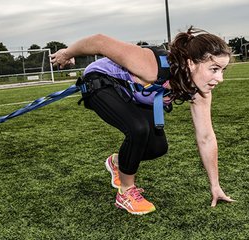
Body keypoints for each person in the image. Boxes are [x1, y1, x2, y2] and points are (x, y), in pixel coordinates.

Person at [50, 26, 235, 215]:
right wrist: (66, 54)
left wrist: (215, 186)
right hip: (100, 81)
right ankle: (126, 192)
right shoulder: (150, 65)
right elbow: (99, 41)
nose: (219, 78)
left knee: (158, 147)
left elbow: (206, 137)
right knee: (138, 128)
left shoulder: (200, 92)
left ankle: (118, 163)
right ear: (191, 63)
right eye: (214, 69)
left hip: (132, 94)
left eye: (222, 70)